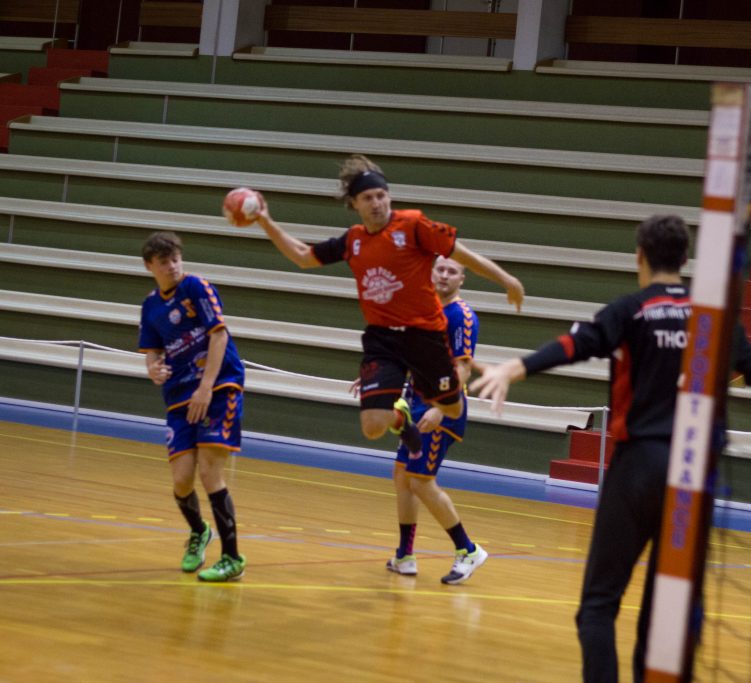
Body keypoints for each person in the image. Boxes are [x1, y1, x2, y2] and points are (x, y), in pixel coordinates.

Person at [470, 215, 751, 682]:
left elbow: (576, 344)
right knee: (665, 617)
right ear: (684, 259)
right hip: (693, 476)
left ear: (639, 256)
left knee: (598, 606)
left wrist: (514, 368)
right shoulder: (714, 319)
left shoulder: (630, 309)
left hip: (638, 469)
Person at [251, 154, 521, 576]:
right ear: (355, 204)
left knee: (439, 432)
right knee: (375, 430)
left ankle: (464, 547)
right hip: (383, 341)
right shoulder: (354, 240)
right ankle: (407, 550)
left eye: (382, 195)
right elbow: (303, 256)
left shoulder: (413, 227)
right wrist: (265, 221)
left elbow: (461, 252)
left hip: (423, 341)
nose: (377, 203)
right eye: (369, 198)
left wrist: (506, 280)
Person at [354, 255, 487, 584]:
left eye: (452, 271)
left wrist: (441, 408)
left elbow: (463, 368)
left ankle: (468, 550)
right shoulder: (423, 308)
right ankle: (405, 556)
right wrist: (378, 378)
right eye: (440, 269)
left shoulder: (461, 316)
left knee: (420, 481)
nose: (444, 275)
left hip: (441, 410)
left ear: (462, 279)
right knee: (402, 477)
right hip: (415, 404)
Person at [138, 231, 247, 582]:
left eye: (175, 259)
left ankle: (232, 557)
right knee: (182, 480)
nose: (172, 266)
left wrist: (206, 387)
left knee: (210, 472)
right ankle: (200, 531)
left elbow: (219, 334)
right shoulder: (150, 306)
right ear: (150, 266)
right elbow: (152, 352)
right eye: (164, 262)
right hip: (179, 396)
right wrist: (153, 369)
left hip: (219, 387)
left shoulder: (196, 287)